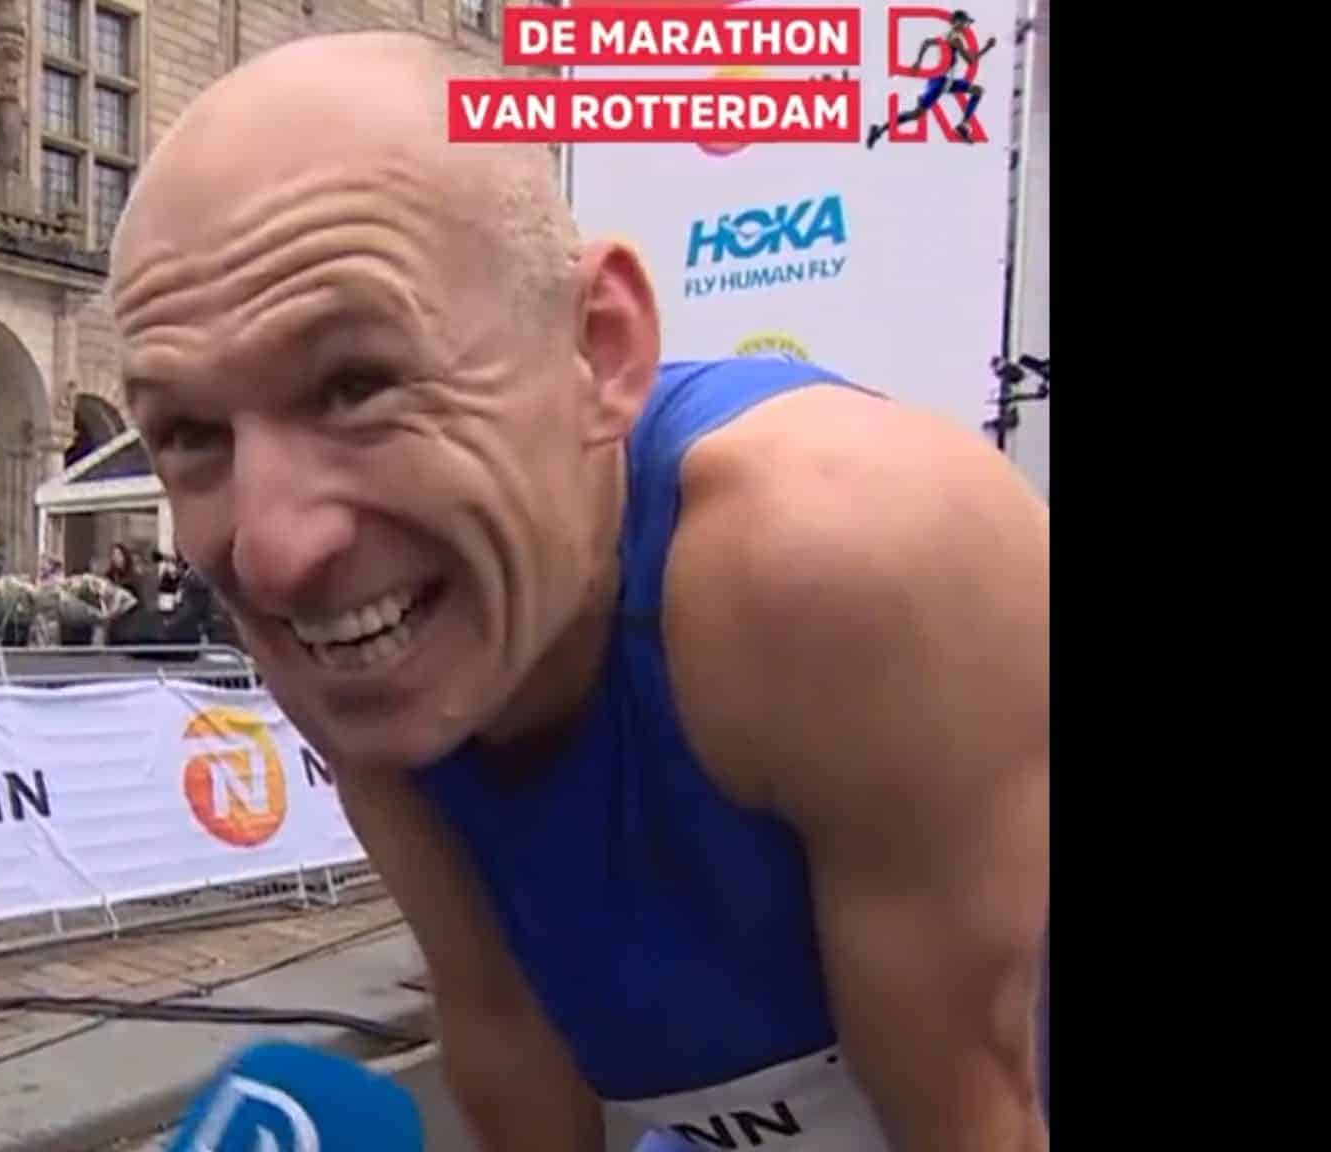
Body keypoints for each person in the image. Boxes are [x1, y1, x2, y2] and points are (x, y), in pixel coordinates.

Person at [108, 31, 1047, 1152]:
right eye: (190, 434)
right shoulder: (382, 625)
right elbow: (506, 1038)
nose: (273, 550)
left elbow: (968, 1109)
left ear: (598, 349)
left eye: (355, 383)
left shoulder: (844, 555)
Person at [867, 10, 997, 148]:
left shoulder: (945, 36)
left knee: (978, 91)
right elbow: (970, 61)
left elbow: (926, 42)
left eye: (967, 24)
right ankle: (879, 129)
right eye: (965, 23)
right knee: (916, 114)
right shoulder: (956, 38)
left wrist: (918, 61)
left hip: (946, 81)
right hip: (940, 82)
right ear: (957, 22)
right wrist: (987, 48)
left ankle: (963, 126)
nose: (967, 26)